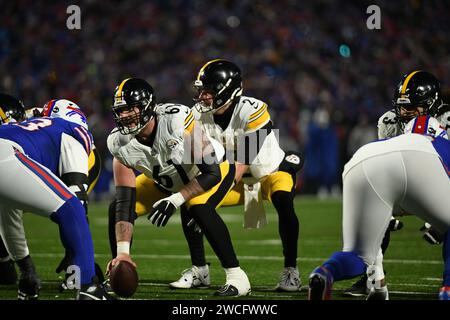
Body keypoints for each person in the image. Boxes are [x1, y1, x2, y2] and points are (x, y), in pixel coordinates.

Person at [164, 59, 304, 292]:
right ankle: (199, 269)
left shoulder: (252, 110)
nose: (203, 97)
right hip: (235, 180)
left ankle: (291, 270)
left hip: (268, 173)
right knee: (192, 202)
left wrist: (211, 196)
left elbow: (240, 165)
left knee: (283, 200)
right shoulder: (198, 114)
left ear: (229, 92)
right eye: (202, 91)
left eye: (209, 92)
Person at [107, 77, 251, 296]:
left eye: (130, 109)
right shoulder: (118, 143)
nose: (125, 116)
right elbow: (125, 201)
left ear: (147, 106)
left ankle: (237, 277)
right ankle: (119, 266)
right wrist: (122, 252)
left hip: (213, 169)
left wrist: (175, 200)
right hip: (167, 178)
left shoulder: (176, 120)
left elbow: (211, 173)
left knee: (197, 206)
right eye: (121, 111)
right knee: (117, 205)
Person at [308, 116, 450, 300]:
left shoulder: (392, 140)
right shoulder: (440, 144)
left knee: (357, 255)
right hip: (421, 162)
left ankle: (326, 272)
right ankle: (447, 288)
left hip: (363, 158)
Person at [343, 70, 450, 297]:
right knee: (371, 213)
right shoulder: (388, 120)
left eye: (410, 107)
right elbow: (383, 162)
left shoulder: (446, 120)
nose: (403, 112)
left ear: (430, 103)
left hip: (440, 181)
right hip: (401, 181)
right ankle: (371, 277)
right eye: (401, 106)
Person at [0, 100, 113, 300]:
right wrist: (77, 258)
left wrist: (26, 270)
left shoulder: (28, 129)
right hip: (6, 154)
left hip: (6, 154)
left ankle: (24, 274)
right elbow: (75, 201)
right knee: (72, 208)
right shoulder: (71, 130)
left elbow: (9, 220)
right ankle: (90, 289)